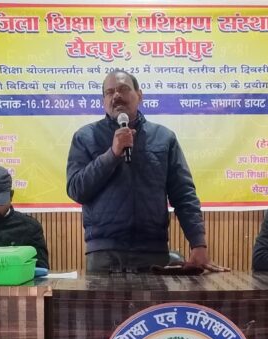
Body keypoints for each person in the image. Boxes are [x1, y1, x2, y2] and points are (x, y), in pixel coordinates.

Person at [66, 69, 225, 273]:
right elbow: (76, 189)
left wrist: (198, 243)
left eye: (123, 89)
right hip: (104, 255)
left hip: (153, 253)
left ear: (139, 95)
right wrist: (112, 155)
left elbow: (184, 195)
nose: (116, 96)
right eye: (109, 92)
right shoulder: (85, 137)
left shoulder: (164, 138)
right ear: (103, 100)